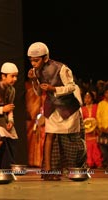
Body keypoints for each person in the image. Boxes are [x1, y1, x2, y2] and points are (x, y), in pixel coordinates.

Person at [27, 42, 86, 181]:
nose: (33, 64)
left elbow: (72, 87)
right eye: (31, 61)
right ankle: (48, 170)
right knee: (50, 135)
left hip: (68, 108)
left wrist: (54, 89)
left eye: (36, 60)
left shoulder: (62, 68)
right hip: (52, 107)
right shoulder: (35, 71)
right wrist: (34, 81)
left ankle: (74, 169)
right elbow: (38, 92)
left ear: (45, 58)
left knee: (71, 140)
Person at [80, 91, 102, 169]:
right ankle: (89, 162)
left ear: (92, 99)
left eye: (89, 97)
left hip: (95, 130)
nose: (87, 99)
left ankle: (98, 162)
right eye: (85, 98)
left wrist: (98, 127)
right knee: (87, 147)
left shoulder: (96, 106)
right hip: (86, 131)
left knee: (96, 146)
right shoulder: (82, 109)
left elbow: (99, 117)